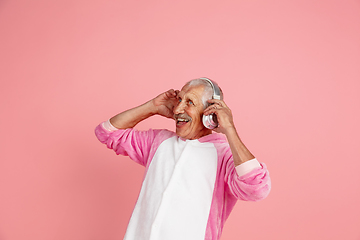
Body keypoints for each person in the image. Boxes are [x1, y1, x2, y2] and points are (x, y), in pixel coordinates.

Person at [95, 78, 271, 240]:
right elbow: (107, 133)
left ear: (210, 112)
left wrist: (229, 129)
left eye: (189, 102)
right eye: (179, 100)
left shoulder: (223, 155)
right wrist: (153, 106)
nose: (178, 110)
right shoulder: (159, 142)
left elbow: (257, 188)